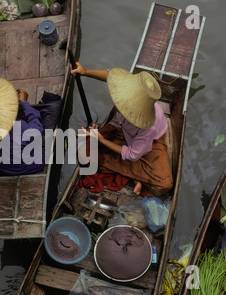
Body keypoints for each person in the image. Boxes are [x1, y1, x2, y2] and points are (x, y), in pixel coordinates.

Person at [72, 62, 173, 196]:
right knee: (84, 150)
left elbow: (133, 155)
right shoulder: (129, 91)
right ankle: (137, 176)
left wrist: (102, 140)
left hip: (149, 143)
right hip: (121, 128)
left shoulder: (149, 126)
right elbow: (110, 75)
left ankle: (138, 178)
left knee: (164, 184)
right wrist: (85, 71)